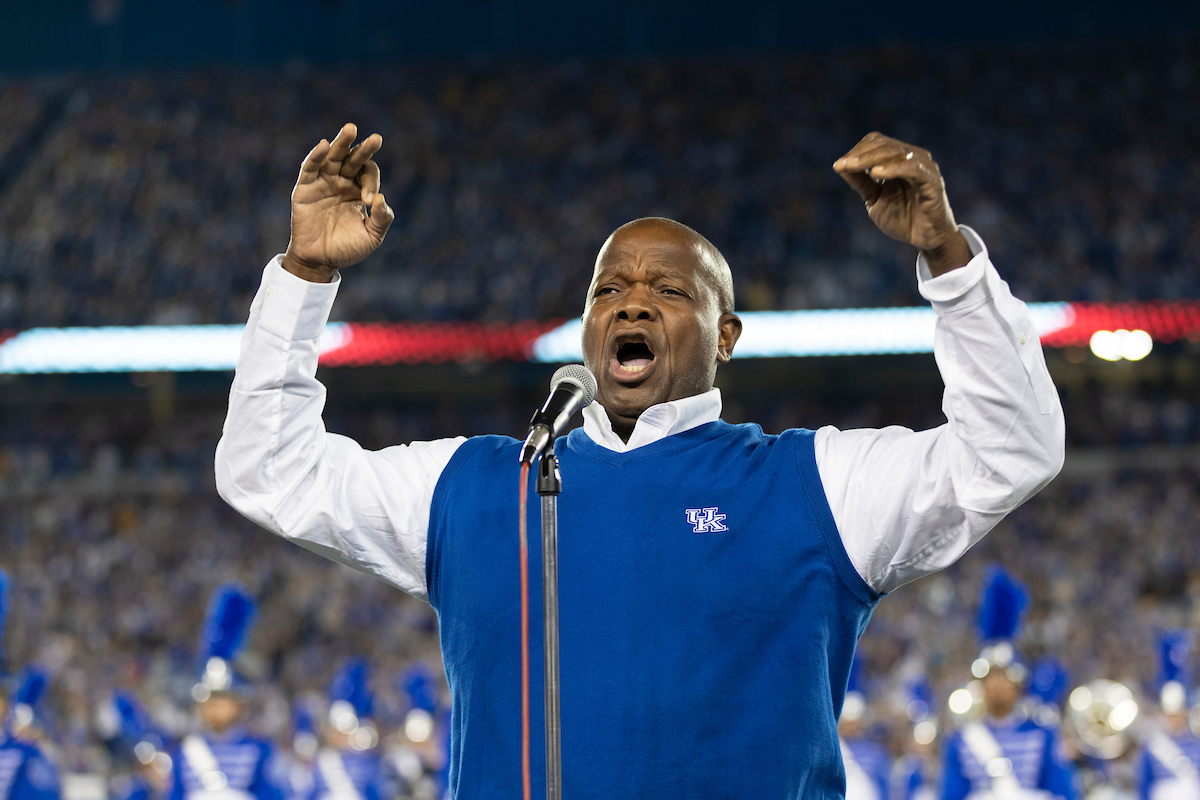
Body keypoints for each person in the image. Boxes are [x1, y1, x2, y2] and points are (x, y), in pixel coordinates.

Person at [216, 123, 1065, 798]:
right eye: (609, 289)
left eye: (669, 291)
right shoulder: (477, 488)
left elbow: (1008, 448)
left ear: (725, 336)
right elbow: (268, 469)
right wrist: (304, 275)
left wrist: (950, 264)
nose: (632, 303)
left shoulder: (812, 488)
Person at [940, 568, 1076, 800]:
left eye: (1004, 677)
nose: (997, 685)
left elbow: (1061, 790)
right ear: (980, 686)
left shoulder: (1042, 734)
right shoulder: (961, 740)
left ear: (1019, 685)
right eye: (990, 678)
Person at [168, 584, 286, 800]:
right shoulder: (183, 752)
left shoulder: (259, 750)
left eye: (222, 699)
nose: (214, 705)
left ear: (239, 704)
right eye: (209, 699)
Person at [305, 659, 386, 800]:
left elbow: (375, 792)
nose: (341, 736)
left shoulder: (365, 762)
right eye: (337, 731)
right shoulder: (317, 762)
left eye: (345, 731)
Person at [1136, 631, 1200, 800]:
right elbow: (1144, 786)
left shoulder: (1196, 744)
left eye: (1178, 714)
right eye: (1170, 714)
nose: (1175, 719)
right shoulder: (1152, 747)